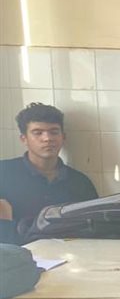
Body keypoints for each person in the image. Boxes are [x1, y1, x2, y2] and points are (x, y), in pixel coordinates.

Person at [0, 102, 98, 244]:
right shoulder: (4, 173)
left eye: (54, 132)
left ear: (63, 137)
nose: (47, 138)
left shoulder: (80, 182)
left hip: (69, 254)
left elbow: (94, 229)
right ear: (24, 139)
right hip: (16, 254)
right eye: (38, 133)